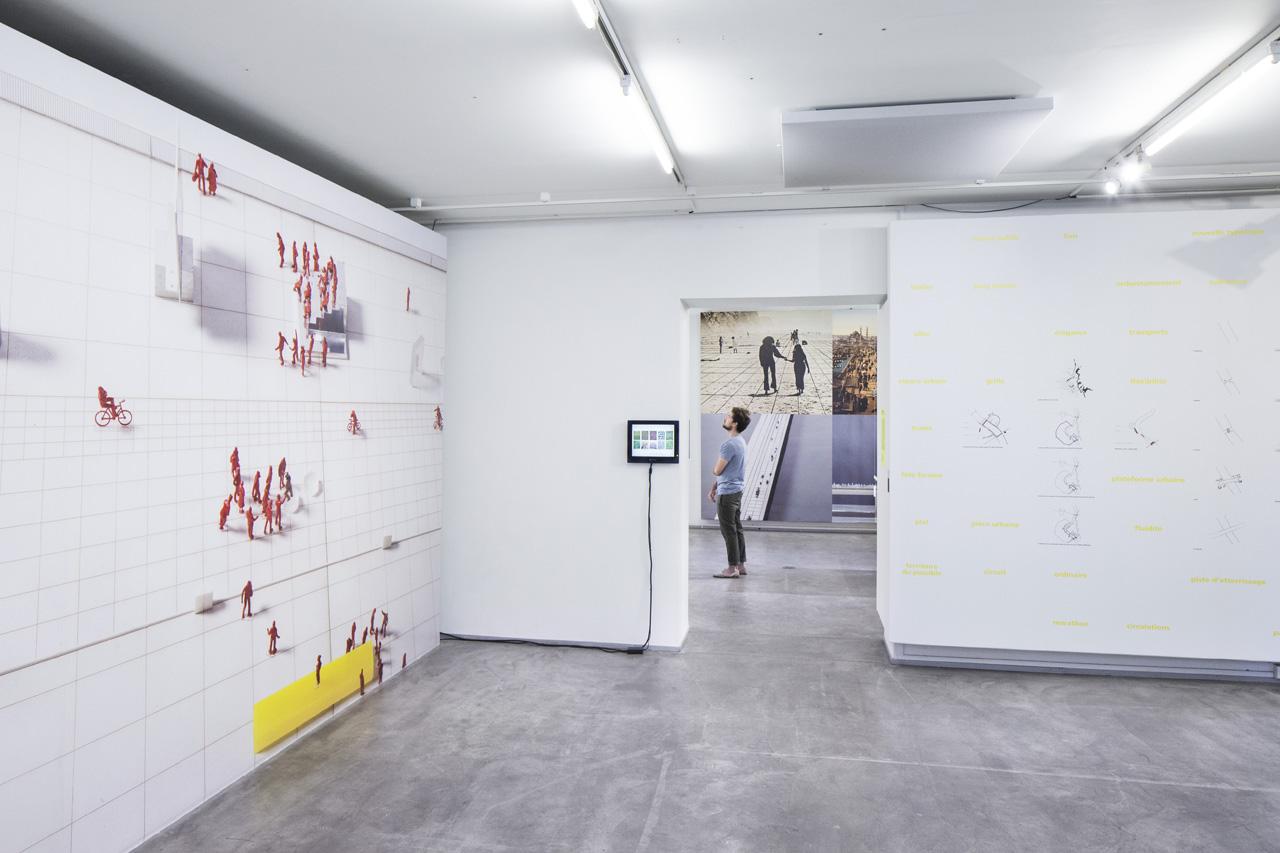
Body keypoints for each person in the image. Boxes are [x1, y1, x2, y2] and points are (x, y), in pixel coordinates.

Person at [708, 407, 750, 578]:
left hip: (727, 494)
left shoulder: (728, 445)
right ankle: (741, 565)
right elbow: (731, 470)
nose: (725, 418)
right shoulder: (741, 442)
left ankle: (732, 569)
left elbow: (718, 470)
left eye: (729, 417)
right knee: (737, 529)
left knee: (728, 531)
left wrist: (715, 474)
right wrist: (715, 486)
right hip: (737, 491)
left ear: (735, 423)